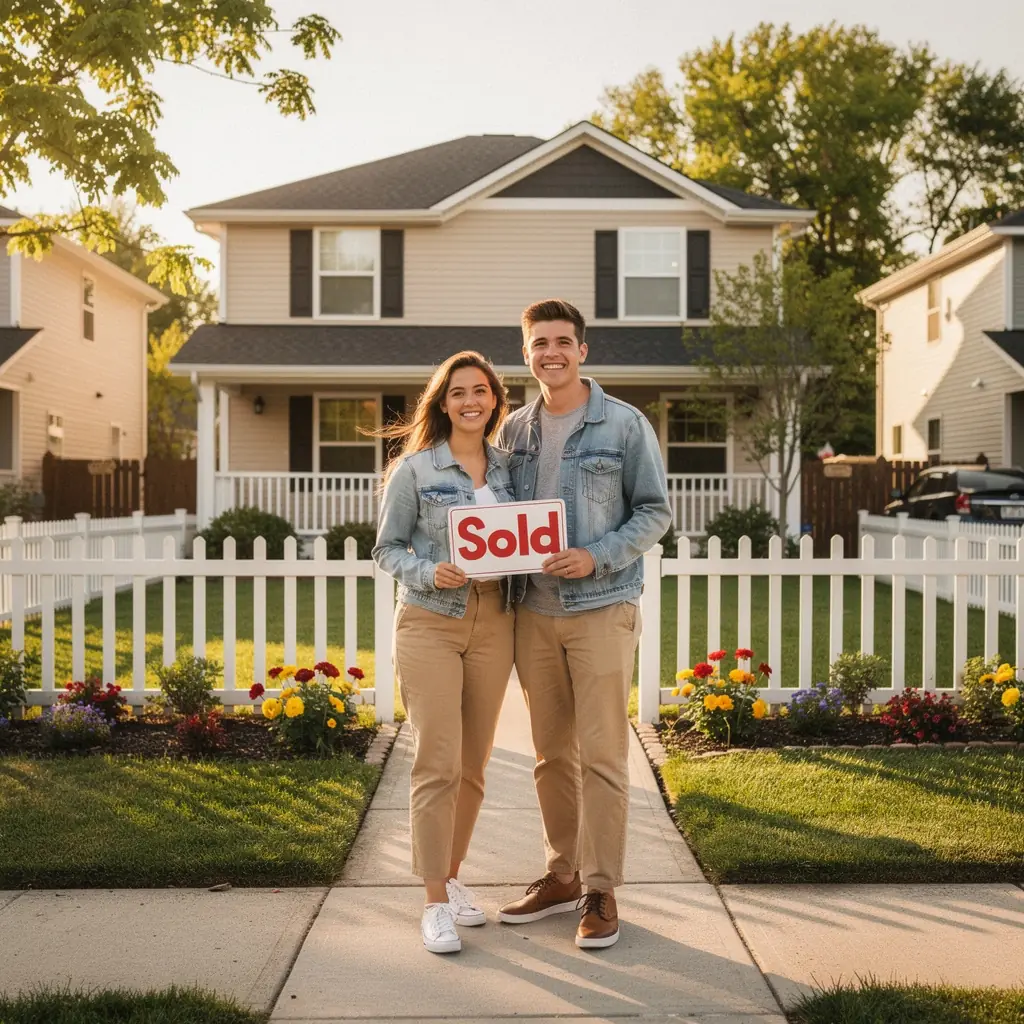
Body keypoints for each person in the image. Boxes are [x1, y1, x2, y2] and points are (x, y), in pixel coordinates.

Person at [495, 299, 671, 949]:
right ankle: (561, 875)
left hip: (600, 609)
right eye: (540, 343)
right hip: (533, 613)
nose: (552, 352)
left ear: (583, 351)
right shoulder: (513, 431)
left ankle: (601, 888)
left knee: (601, 756)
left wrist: (597, 554)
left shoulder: (624, 426)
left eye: (563, 341)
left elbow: (654, 512)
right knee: (550, 758)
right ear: (527, 353)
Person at [372, 351, 516, 955]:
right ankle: (433, 903)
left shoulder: (512, 471)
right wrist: (433, 571)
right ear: (442, 402)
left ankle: (453, 876)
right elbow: (387, 550)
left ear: (494, 400)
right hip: (431, 621)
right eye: (458, 392)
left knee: (475, 765)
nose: (470, 401)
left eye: (480, 391)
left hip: (496, 622)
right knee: (438, 760)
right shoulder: (415, 470)